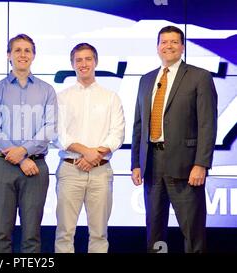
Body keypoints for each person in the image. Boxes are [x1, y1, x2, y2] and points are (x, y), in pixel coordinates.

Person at [131, 25, 217, 253]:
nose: (168, 46)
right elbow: (139, 124)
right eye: (164, 42)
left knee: (192, 231)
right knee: (155, 231)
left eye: (174, 42)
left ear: (182, 47)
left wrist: (201, 164)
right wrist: (136, 163)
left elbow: (208, 124)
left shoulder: (200, 76)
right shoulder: (146, 80)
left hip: (187, 166)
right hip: (152, 166)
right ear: (157, 47)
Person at [0, 34, 57, 253]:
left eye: (27, 50)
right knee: (2, 233)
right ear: (9, 55)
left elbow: (50, 128)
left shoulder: (46, 90)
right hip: (2, 167)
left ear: (33, 55)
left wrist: (24, 153)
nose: (22, 54)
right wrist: (20, 158)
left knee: (32, 235)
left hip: (36, 168)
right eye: (17, 50)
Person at [55, 43, 125, 253]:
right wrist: (87, 152)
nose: (83, 64)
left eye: (87, 59)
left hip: (101, 172)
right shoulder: (61, 97)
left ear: (95, 62)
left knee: (99, 233)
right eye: (78, 60)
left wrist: (95, 156)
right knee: (64, 233)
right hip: (70, 170)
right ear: (72, 64)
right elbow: (59, 135)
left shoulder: (111, 97)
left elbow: (117, 134)